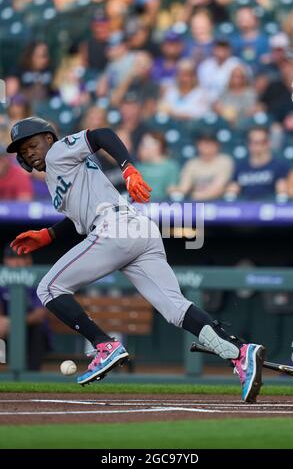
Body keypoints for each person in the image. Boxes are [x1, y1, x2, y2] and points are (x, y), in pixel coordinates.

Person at [6, 116, 265, 402]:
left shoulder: (57, 152)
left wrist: (127, 167)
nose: (29, 153)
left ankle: (104, 345)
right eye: (22, 151)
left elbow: (101, 134)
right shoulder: (59, 173)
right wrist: (49, 235)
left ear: (49, 139)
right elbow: (77, 215)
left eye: (32, 145)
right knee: (176, 309)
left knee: (49, 288)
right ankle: (239, 353)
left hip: (114, 229)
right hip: (138, 230)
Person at [0, 246, 49, 370]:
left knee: (37, 329)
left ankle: (33, 375)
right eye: (12, 258)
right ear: (5, 261)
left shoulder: (38, 280)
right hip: (5, 330)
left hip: (31, 331)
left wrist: (13, 322)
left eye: (21, 258)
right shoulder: (2, 281)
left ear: (29, 260)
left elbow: (39, 315)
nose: (17, 262)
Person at [225, 126, 293, 201]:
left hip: (270, 206)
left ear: (268, 143)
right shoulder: (240, 167)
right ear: (248, 144)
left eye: (261, 142)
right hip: (245, 207)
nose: (257, 146)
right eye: (252, 142)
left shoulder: (279, 166)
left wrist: (282, 195)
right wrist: (230, 195)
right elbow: (232, 190)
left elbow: (283, 192)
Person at [169, 132, 233, 201]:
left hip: (219, 202)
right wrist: (175, 190)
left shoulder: (224, 161)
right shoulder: (192, 163)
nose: (206, 146)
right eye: (203, 143)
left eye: (210, 143)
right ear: (197, 145)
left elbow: (218, 187)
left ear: (217, 145)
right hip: (197, 202)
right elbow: (184, 187)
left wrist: (198, 195)